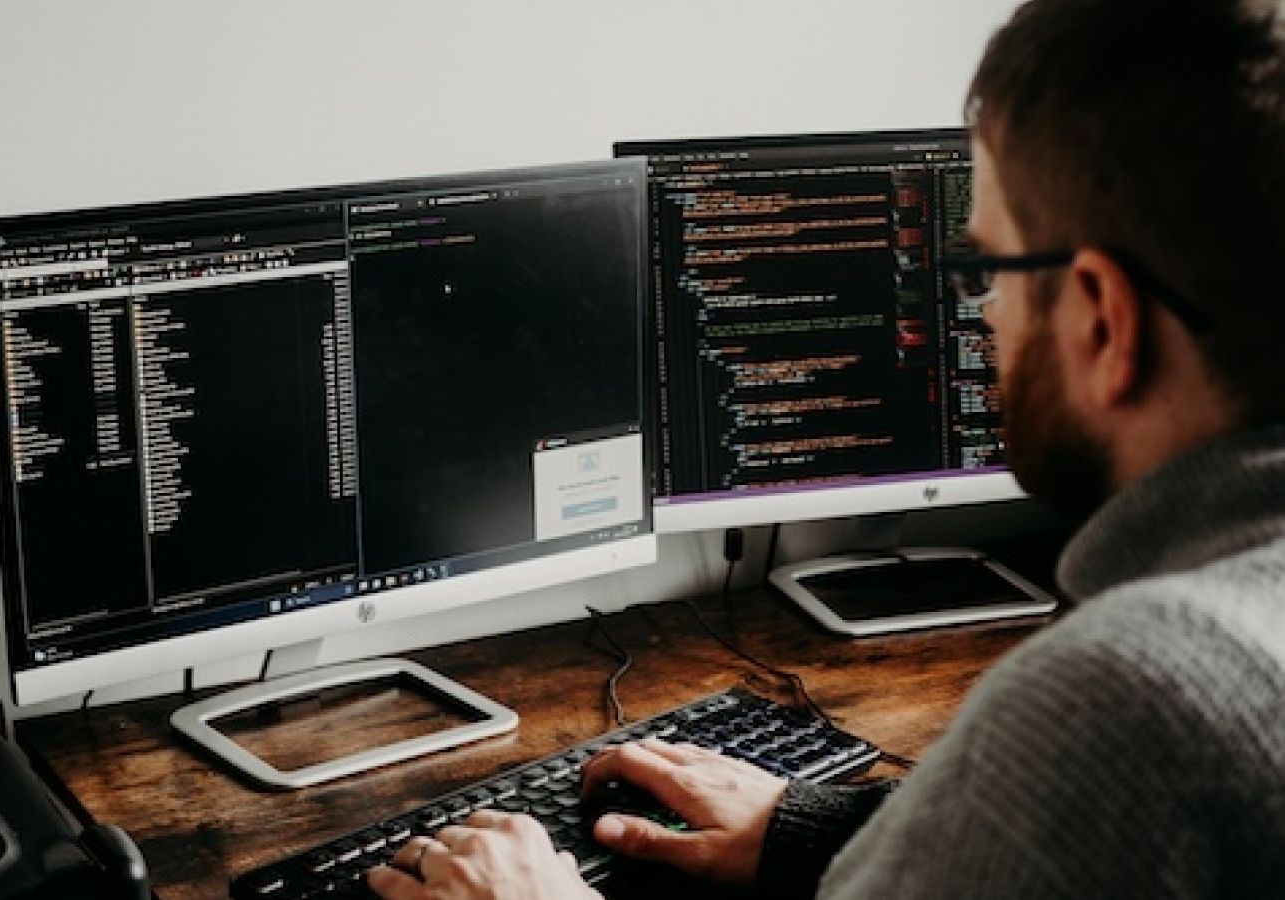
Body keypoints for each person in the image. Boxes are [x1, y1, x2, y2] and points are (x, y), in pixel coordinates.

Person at [368, 0, 1285, 896]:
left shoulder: (1121, 700)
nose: (981, 314)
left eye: (986, 269)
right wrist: (808, 826)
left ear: (1102, 318)